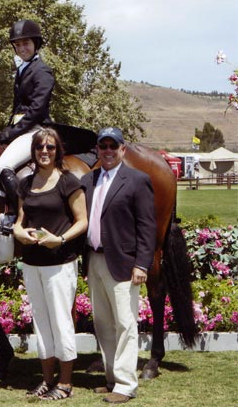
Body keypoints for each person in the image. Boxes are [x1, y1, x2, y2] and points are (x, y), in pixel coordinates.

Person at [81, 127, 156, 404]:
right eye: (104, 146)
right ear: (97, 150)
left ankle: (125, 385)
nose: (108, 151)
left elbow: (147, 227)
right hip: (94, 260)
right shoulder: (88, 180)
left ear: (123, 149)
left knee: (125, 323)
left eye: (114, 146)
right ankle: (112, 377)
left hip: (124, 264)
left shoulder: (137, 180)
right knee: (103, 324)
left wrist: (142, 264)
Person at [13, 128, 88, 400]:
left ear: (58, 151)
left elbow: (83, 221)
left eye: (50, 147)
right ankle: (46, 379)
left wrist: (61, 239)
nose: (44, 151)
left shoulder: (68, 182)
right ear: (33, 151)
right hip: (32, 263)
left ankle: (65, 383)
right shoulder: (25, 183)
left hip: (60, 264)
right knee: (41, 322)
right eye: (40, 147)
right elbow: (20, 220)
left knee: (60, 322)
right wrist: (18, 232)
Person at [0, 19, 55, 233]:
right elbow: (17, 108)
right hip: (22, 129)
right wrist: (6, 130)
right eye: (17, 45)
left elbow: (36, 110)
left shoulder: (42, 71)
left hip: (36, 130)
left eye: (25, 43)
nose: (21, 48)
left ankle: (21, 216)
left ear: (35, 44)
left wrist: (13, 131)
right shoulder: (22, 69)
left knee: (3, 166)